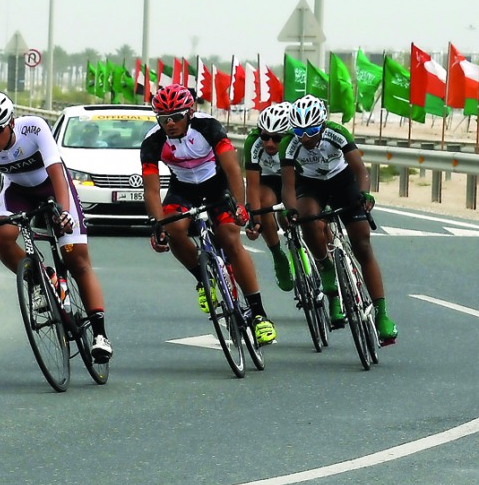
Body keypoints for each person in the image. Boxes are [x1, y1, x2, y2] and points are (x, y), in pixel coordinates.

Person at [0, 90, 114, 363]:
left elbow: (56, 172)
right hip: (18, 191)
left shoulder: (34, 127)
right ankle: (40, 279)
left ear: (11, 122)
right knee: (0, 231)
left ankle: (100, 334)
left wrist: (64, 212)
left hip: (52, 187)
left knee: (76, 258)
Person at [140, 84, 278, 346]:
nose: (170, 124)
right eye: (163, 119)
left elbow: (233, 169)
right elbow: (152, 189)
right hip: (182, 188)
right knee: (172, 229)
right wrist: (156, 225)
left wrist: (239, 206)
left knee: (230, 239)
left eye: (176, 117)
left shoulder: (208, 127)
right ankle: (203, 279)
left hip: (216, 185)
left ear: (190, 113)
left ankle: (259, 314)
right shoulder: (152, 141)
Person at [279, 95, 398, 345]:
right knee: (307, 217)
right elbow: (288, 187)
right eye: (299, 132)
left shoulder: (337, 133)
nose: (305, 138)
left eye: (311, 131)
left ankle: (382, 315)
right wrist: (290, 210)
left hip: (343, 181)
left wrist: (365, 194)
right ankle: (326, 268)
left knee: (362, 244)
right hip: (311, 185)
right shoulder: (289, 144)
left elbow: (360, 170)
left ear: (322, 125)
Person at [243, 102, 295, 292]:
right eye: (265, 137)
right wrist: (254, 221)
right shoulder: (253, 143)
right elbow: (252, 186)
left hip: (297, 179)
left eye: (277, 138)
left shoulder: (297, 140)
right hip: (269, 179)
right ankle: (277, 255)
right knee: (263, 204)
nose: (269, 143)